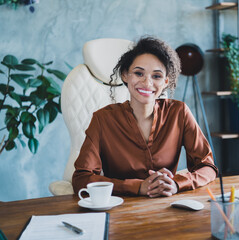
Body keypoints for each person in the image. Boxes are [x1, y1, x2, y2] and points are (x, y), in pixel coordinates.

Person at [72, 36, 218, 198]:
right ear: (125, 75)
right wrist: (137, 187)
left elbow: (208, 167)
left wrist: (177, 183)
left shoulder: (179, 112)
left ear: (166, 82)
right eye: (139, 73)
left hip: (168, 207)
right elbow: (81, 179)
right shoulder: (103, 119)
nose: (147, 82)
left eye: (156, 76)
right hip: (120, 209)